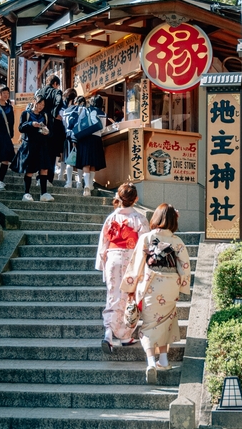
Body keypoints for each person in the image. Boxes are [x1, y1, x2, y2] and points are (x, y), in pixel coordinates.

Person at [121, 203, 191, 384]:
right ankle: (164, 360)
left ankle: (151, 362)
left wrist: (130, 288)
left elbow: (136, 265)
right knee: (165, 321)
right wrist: (182, 286)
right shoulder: (177, 241)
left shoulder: (146, 238)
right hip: (170, 286)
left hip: (151, 284)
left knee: (150, 325)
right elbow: (184, 266)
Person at [95, 183, 150, 353]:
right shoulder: (139, 218)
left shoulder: (111, 218)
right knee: (129, 296)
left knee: (113, 296)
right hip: (131, 260)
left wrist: (101, 264)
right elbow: (145, 245)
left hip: (112, 258)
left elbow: (103, 243)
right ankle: (126, 335)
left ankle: (108, 333)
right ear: (136, 199)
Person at [11, 93, 53, 202]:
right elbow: (20, 128)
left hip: (42, 145)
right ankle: (26, 193)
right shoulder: (26, 114)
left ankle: (44, 193)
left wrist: (47, 132)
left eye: (43, 105)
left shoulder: (45, 116)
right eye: (39, 103)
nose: (40, 106)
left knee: (44, 169)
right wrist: (31, 124)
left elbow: (50, 132)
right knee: (29, 170)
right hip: (30, 144)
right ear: (34, 101)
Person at [75, 94, 107, 196]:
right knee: (93, 163)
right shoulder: (103, 114)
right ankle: (91, 185)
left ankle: (87, 186)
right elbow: (103, 129)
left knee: (86, 163)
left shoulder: (86, 110)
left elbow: (79, 123)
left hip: (86, 138)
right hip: (97, 139)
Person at [37, 74, 65, 183]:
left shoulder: (39, 92)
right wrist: (54, 113)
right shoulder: (56, 92)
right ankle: (48, 179)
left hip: (40, 124)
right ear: (55, 84)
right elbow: (59, 102)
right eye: (58, 85)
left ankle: (39, 178)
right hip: (52, 127)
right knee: (51, 153)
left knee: (41, 152)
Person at [60, 87, 79, 188]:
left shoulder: (65, 110)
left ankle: (66, 180)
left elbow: (63, 123)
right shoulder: (81, 110)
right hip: (79, 136)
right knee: (78, 160)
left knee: (67, 158)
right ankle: (79, 183)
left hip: (67, 135)